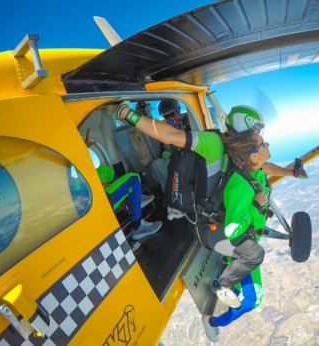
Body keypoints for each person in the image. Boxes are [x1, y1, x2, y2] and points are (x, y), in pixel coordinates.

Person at [115, 101, 306, 342]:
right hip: (222, 230)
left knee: (248, 290)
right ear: (244, 126)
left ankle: (227, 286)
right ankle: (214, 317)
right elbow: (172, 136)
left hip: (235, 227)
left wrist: (289, 171)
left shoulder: (247, 153)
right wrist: (129, 115)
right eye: (257, 130)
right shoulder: (215, 143)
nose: (260, 136)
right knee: (253, 298)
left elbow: (262, 166)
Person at [96, 165, 162, 241]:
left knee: (104, 170)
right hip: (98, 201)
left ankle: (134, 197)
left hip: (89, 193)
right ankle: (138, 226)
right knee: (133, 178)